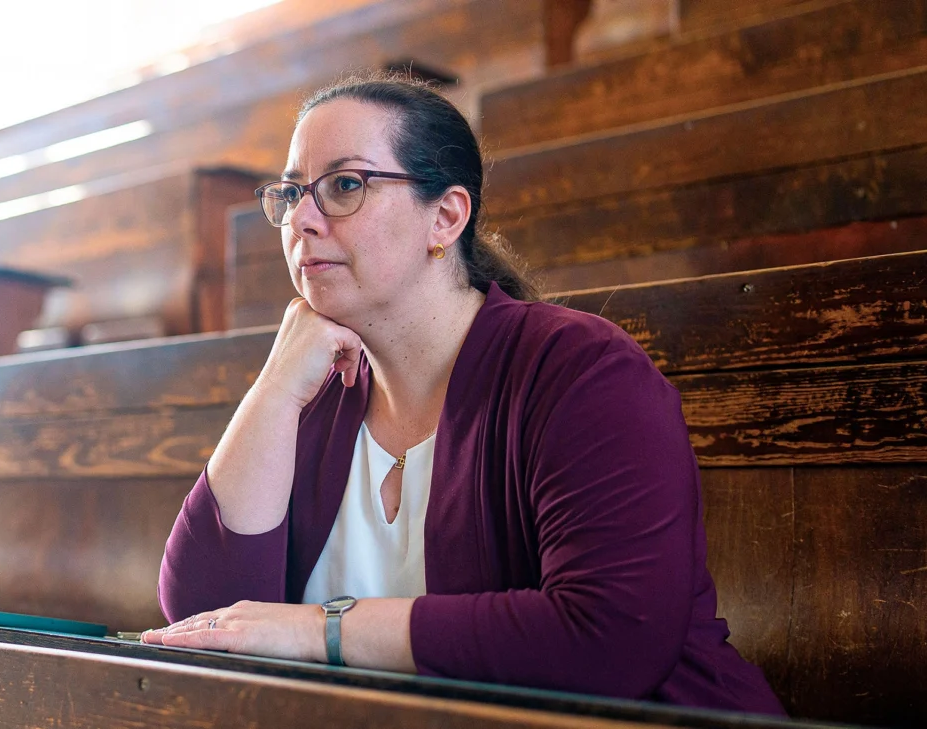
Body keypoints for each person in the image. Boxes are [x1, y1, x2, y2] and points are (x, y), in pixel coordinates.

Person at [140, 73, 785, 715]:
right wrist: (276, 386)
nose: (301, 221)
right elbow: (204, 619)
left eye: (344, 186)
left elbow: (609, 638)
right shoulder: (315, 390)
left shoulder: (581, 370)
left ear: (445, 217)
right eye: (290, 194)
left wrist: (321, 631)